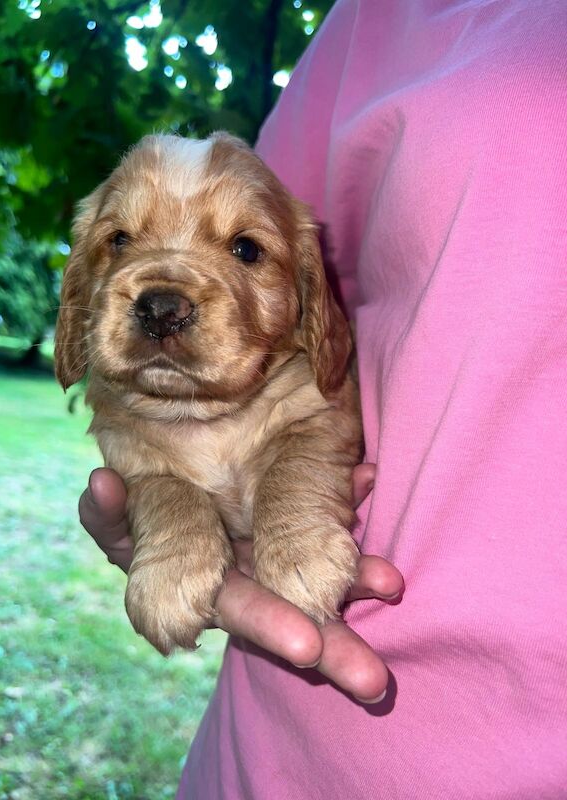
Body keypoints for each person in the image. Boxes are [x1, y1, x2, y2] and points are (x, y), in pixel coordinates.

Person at [79, 0, 567, 797]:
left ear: (313, 304)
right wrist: (167, 508)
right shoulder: (374, 17)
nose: (164, 297)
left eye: (244, 249)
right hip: (276, 749)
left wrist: (293, 502)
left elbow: (318, 404)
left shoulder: (307, 352)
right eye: (121, 241)